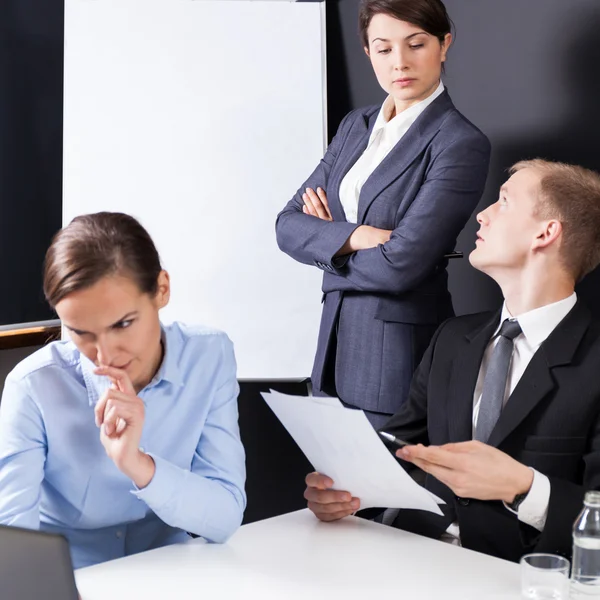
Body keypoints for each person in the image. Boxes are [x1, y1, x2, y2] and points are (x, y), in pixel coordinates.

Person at [303, 159, 600, 562]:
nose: (483, 214)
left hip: (519, 577)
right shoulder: (452, 338)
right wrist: (347, 492)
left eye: (504, 201)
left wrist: (524, 487)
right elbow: (399, 449)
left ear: (545, 233)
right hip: (410, 558)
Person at [276, 0, 490, 428]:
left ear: (444, 44)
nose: (401, 63)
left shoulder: (459, 142)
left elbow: (401, 265)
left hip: (394, 355)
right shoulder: (356, 125)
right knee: (334, 492)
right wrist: (356, 236)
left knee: (389, 491)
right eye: (384, 48)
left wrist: (326, 240)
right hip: (332, 344)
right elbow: (286, 226)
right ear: (368, 52)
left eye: (416, 44)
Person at [0, 212, 246, 568]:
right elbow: (12, 549)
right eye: (81, 332)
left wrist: (137, 464)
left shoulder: (209, 356)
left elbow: (224, 518)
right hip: (71, 580)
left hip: (170, 575)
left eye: (123, 324)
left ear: (162, 289)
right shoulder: (33, 386)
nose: (106, 354)